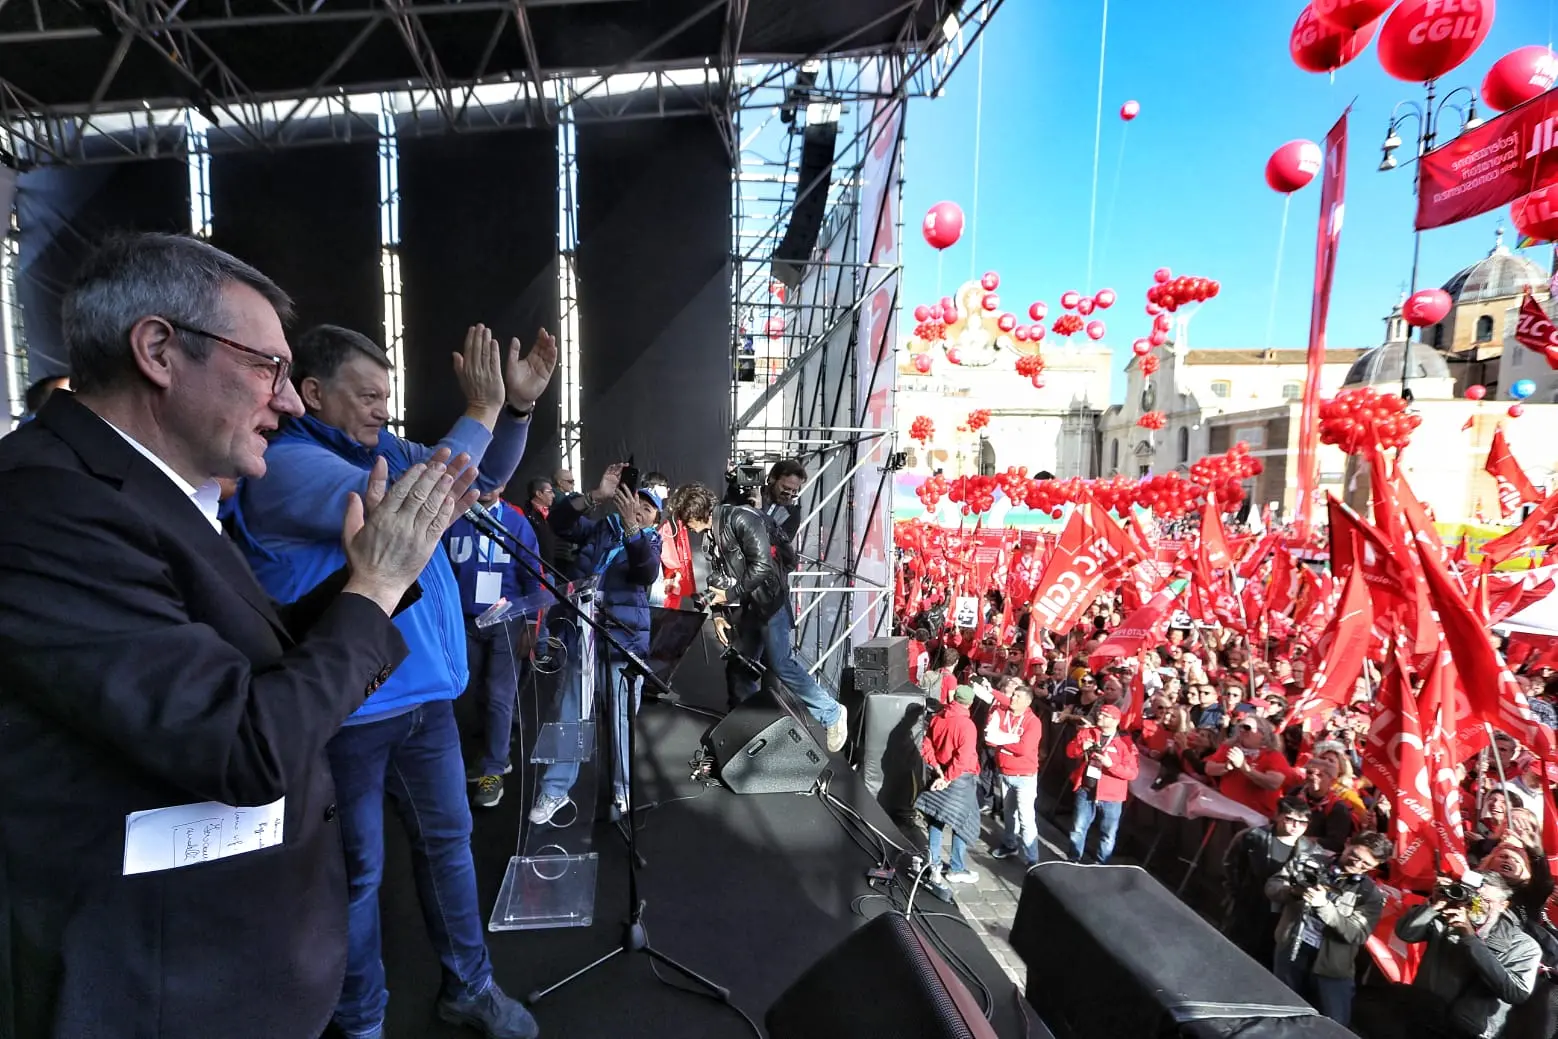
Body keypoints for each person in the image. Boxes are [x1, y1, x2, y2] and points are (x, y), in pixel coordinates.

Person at [0, 232, 479, 1039]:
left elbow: (233, 663)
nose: (289, 402)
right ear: (157, 349)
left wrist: (366, 588)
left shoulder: (139, 491)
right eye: (268, 368)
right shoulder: (45, 506)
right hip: (164, 991)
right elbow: (239, 745)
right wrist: (375, 587)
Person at [232, 320, 554, 1039]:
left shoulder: (382, 449)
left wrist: (515, 411)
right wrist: (478, 410)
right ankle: (361, 1017)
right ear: (313, 393)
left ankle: (469, 986)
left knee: (451, 845)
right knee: (357, 874)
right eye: (367, 393)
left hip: (425, 703)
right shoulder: (287, 466)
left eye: (388, 393)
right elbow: (421, 501)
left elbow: (484, 479)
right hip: (350, 712)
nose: (383, 407)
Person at [673, 484, 849, 753]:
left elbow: (763, 567)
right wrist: (719, 614)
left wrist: (730, 594)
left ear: (696, 514)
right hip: (750, 604)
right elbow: (718, 578)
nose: (686, 527)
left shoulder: (742, 519)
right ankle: (748, 729)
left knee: (781, 664)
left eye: (687, 522)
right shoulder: (711, 535)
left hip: (769, 603)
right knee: (742, 666)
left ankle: (832, 712)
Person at [530, 466, 662, 823]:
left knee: (621, 721)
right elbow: (557, 523)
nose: (638, 509)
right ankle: (555, 791)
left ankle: (623, 788)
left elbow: (646, 571)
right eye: (634, 501)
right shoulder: (603, 529)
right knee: (570, 717)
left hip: (624, 645)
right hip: (583, 638)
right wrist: (596, 496)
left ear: (656, 520)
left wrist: (633, 528)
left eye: (648, 508)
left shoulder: (649, 541)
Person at [444, 486, 542, 808]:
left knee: (501, 694)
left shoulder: (515, 523)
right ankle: (491, 755)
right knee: (470, 692)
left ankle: (494, 769)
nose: (487, 484)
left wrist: (531, 625)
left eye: (494, 478)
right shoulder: (453, 518)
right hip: (466, 621)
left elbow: (532, 577)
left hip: (506, 619)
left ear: (503, 484)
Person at [1383, 873, 1542, 1039]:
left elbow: (1516, 992)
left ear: (1503, 905)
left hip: (1468, 1030)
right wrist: (1433, 905)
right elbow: (1405, 933)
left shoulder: (1524, 946)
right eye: (1473, 898)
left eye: (1486, 901)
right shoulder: (1447, 916)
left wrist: (1470, 938)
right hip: (1422, 1010)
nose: (1476, 905)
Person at [1264, 831, 1390, 1026]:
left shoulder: (1370, 895)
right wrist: (1293, 891)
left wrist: (1323, 906)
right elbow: (1272, 886)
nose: (1356, 864)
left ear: (1375, 867)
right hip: (1290, 949)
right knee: (1279, 1011)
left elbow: (1357, 934)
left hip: (1332, 968)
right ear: (1347, 843)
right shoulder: (1309, 861)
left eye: (1365, 865)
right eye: (1354, 856)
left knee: (1334, 1024)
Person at [1223, 797, 1319, 968]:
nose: (1296, 826)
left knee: (1264, 958)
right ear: (1277, 816)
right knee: (1233, 948)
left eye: (1303, 823)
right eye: (1290, 819)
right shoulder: (1253, 836)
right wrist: (1235, 893)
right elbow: (1232, 865)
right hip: (1248, 903)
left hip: (1280, 912)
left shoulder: (1310, 850)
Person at [916, 685, 982, 885]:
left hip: (940, 771)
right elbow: (963, 758)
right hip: (960, 778)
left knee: (936, 819)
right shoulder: (967, 725)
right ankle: (956, 868)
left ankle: (933, 865)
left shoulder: (939, 717)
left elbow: (926, 743)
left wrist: (936, 767)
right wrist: (947, 778)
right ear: (970, 703)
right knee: (963, 822)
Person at [1066, 703, 1138, 864]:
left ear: (1116, 721)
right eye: (1100, 714)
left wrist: (1110, 765)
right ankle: (1073, 859)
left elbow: (1132, 773)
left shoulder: (1125, 743)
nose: (1100, 717)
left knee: (1108, 833)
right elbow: (1069, 752)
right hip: (1086, 788)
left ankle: (1101, 863)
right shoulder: (1088, 733)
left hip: (1111, 795)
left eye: (1105, 716)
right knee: (1078, 828)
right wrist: (1080, 747)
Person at [985, 684, 1043, 865]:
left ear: (1027, 702)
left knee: (1026, 819)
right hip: (1005, 774)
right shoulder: (1007, 712)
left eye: (1017, 697)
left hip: (1024, 777)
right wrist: (991, 690)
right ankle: (1010, 845)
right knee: (1009, 813)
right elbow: (990, 738)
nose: (1012, 699)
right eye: (1013, 695)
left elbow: (1024, 749)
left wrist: (1000, 740)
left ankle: (1033, 860)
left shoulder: (1033, 722)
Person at [519, 476, 558, 573]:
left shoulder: (554, 513)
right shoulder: (523, 515)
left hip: (552, 569)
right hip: (535, 571)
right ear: (539, 494)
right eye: (550, 492)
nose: (553, 495)